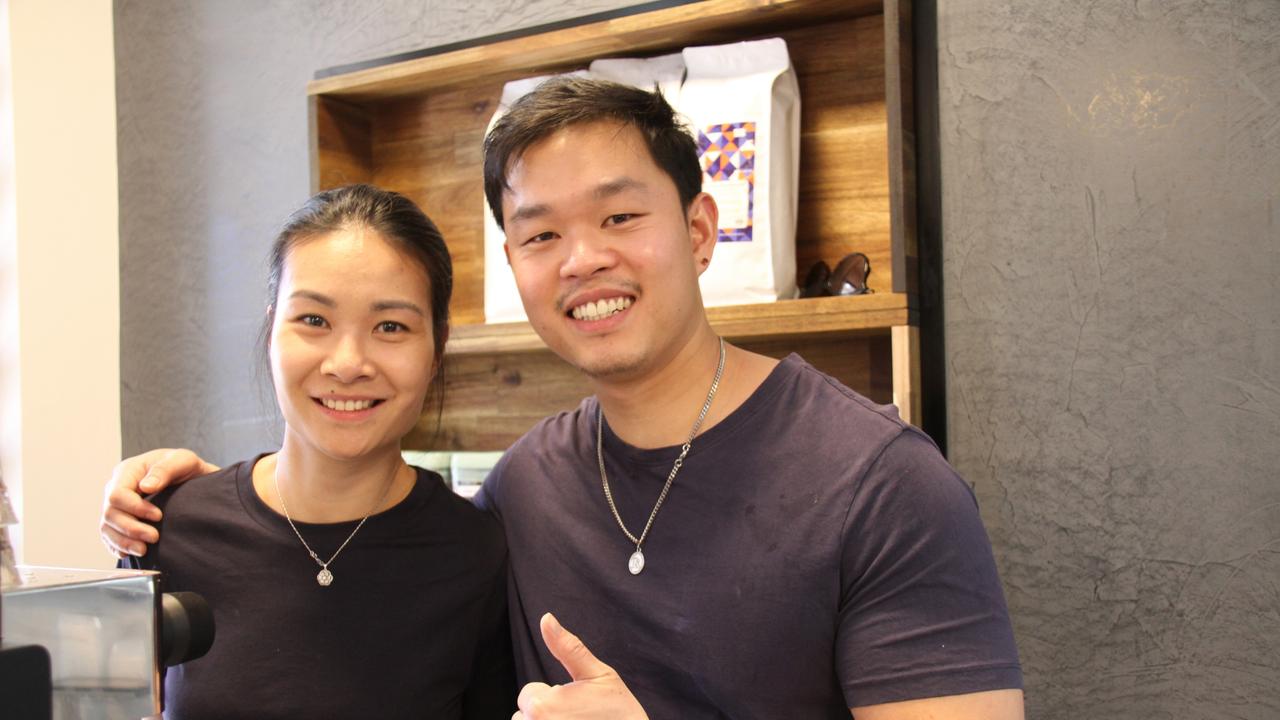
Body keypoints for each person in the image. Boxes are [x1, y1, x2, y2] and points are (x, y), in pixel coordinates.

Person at [103, 79, 1024, 719]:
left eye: (620, 217)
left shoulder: (880, 484)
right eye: (541, 233)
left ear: (699, 230)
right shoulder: (522, 492)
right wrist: (183, 499)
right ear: (514, 266)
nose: (584, 260)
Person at [116, 184, 515, 719]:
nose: (347, 363)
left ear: (437, 348)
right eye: (313, 320)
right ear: (271, 330)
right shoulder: (168, 527)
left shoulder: (476, 553)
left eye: (390, 326)